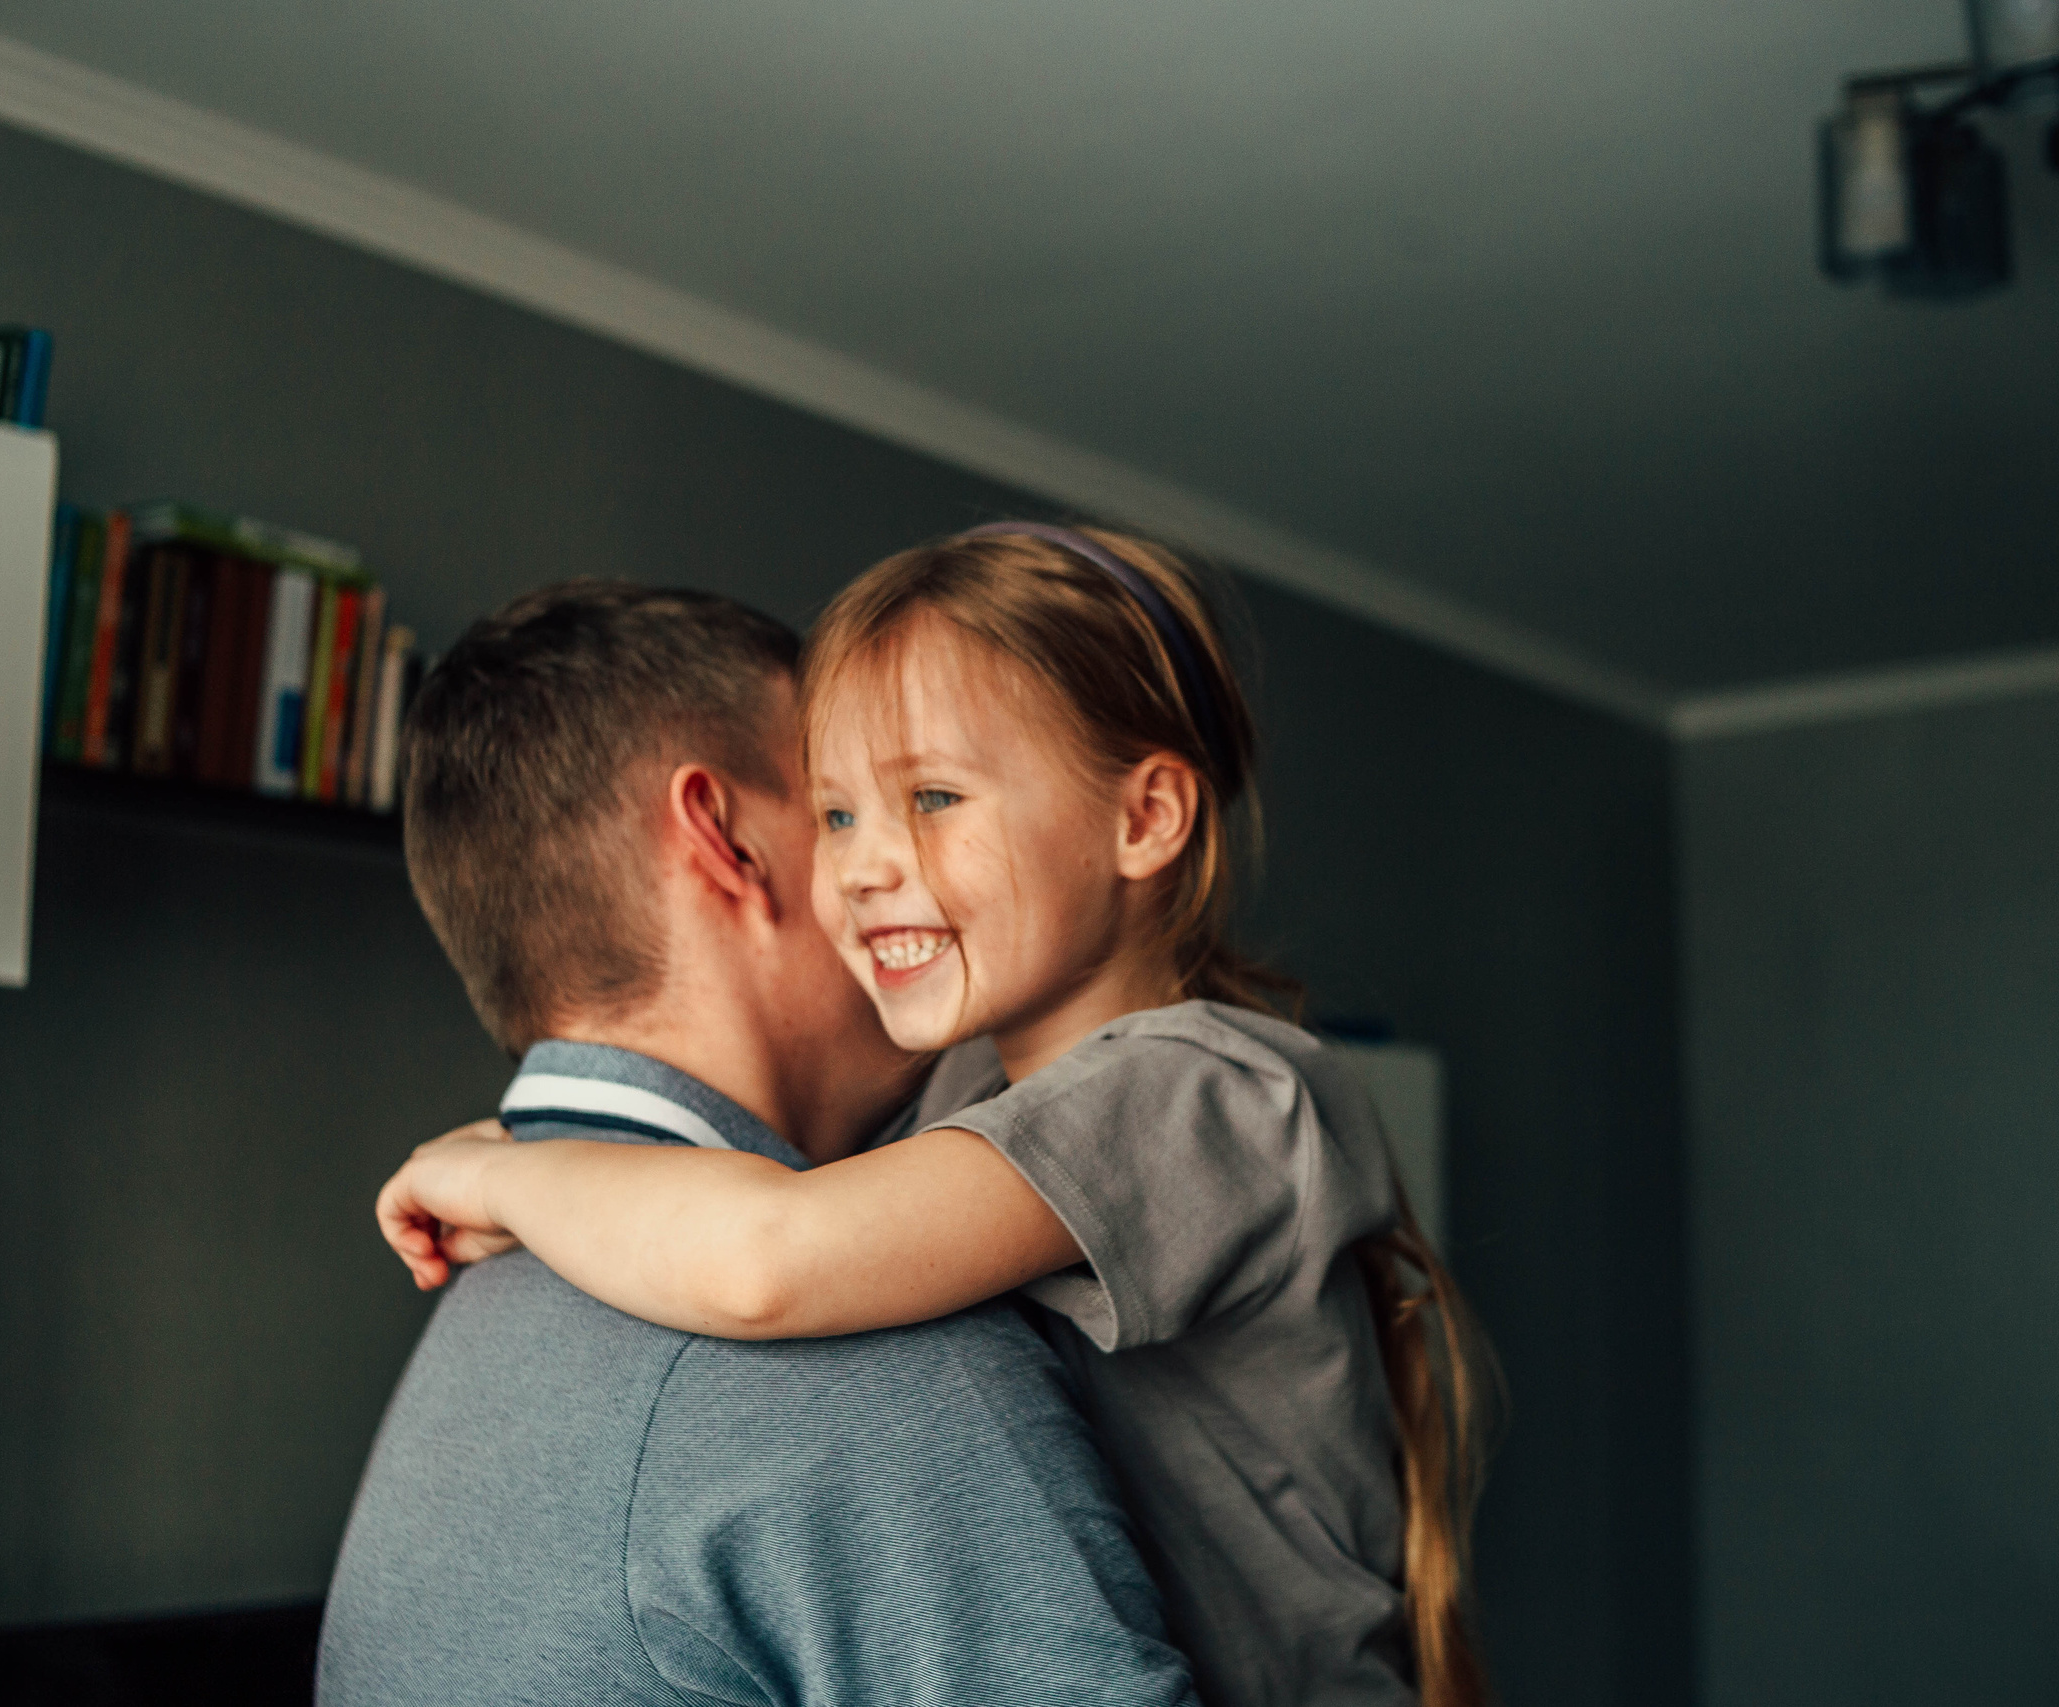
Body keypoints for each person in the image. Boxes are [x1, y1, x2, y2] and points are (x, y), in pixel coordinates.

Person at [380, 525, 1497, 1707]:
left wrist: (508, 1175)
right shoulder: (966, 1092)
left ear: (1143, 819)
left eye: (931, 797)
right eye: (836, 815)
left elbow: (770, 1256)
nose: (860, 867)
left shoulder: (1202, 1095)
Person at [317, 580, 1199, 1707]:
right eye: (836, 811)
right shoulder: (875, 1357)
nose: (886, 869)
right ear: (725, 840)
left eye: (927, 801)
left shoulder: (489, 1296)